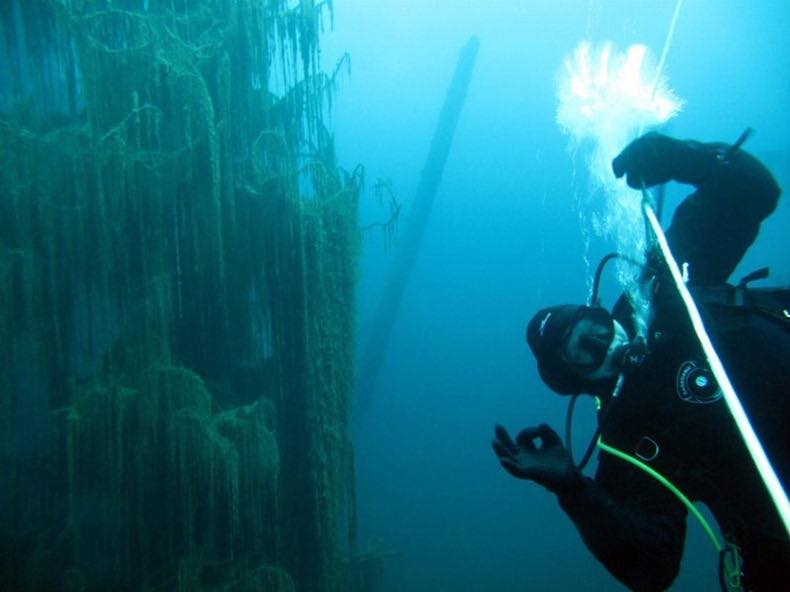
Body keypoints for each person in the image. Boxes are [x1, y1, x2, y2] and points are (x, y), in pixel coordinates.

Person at [492, 132, 789, 591]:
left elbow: (754, 191)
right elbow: (652, 568)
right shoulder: (628, 436)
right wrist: (573, 491)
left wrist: (685, 158)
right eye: (585, 354)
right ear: (580, 382)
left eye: (596, 326)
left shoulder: (659, 290)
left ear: (599, 307)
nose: (606, 344)